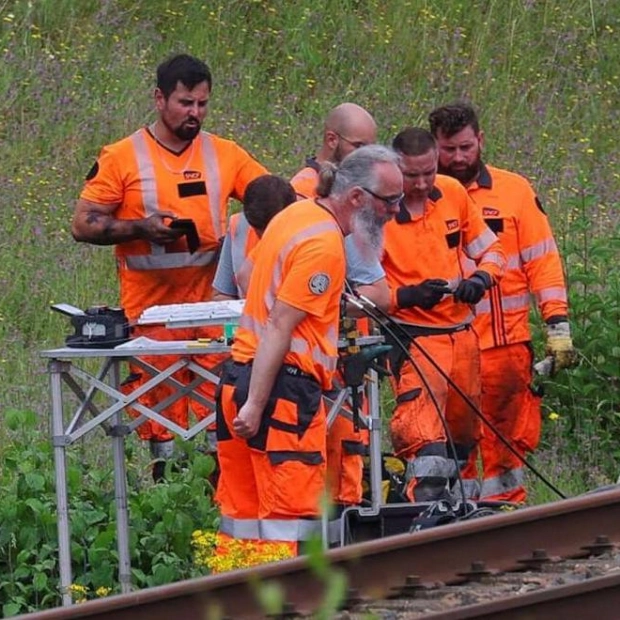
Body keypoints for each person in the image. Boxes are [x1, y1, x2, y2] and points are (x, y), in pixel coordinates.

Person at [71, 53, 267, 480]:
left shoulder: (225, 154)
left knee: (221, 417)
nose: (194, 113)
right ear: (160, 99)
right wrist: (139, 228)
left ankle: (220, 503)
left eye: (202, 104)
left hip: (214, 313)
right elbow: (83, 225)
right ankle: (165, 501)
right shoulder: (122, 156)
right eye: (185, 103)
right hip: (151, 316)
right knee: (161, 424)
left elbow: (270, 201)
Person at [215, 145, 403, 556]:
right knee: (289, 525)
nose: (395, 211)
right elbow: (282, 323)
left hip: (239, 377)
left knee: (243, 521)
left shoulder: (295, 216)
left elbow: (249, 275)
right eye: (390, 201)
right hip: (279, 394)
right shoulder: (324, 244)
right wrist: (257, 405)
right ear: (356, 198)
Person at [428, 102, 576, 503]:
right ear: (434, 147)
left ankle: (504, 519)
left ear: (480, 140)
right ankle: (450, 520)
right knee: (446, 442)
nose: (458, 158)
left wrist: (557, 325)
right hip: (446, 344)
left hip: (505, 345)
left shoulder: (514, 192)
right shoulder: (421, 197)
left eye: (465, 147)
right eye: (449, 149)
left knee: (506, 445)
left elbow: (542, 260)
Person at [382, 127, 506, 503]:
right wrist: (406, 296)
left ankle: (458, 517)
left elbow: (493, 251)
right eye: (411, 175)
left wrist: (481, 279)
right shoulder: (380, 211)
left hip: (462, 336)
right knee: (424, 442)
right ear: (393, 168)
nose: (420, 184)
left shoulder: (452, 194)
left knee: (462, 441)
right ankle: (421, 518)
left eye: (428, 173)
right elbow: (362, 291)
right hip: (415, 341)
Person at [291, 103, 389, 510]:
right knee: (312, 471)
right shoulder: (307, 195)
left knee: (346, 463)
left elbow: (377, 290)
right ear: (332, 140)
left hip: (345, 356)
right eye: (359, 146)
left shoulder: (356, 195)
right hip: (312, 357)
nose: (368, 155)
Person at [212, 174, 297, 301]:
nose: (267, 237)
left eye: (275, 230)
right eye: (261, 231)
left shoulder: (311, 234)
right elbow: (222, 294)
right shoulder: (239, 225)